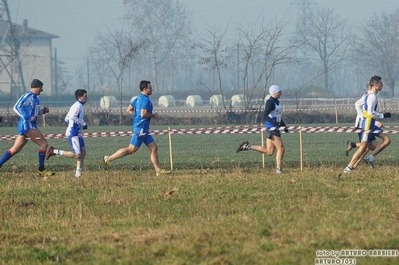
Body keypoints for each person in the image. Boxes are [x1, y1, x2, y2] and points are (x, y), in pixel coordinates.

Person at [102, 80, 171, 176]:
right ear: (145, 89)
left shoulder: (137, 98)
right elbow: (143, 114)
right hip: (141, 129)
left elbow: (129, 110)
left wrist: (137, 116)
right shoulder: (146, 100)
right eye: (150, 88)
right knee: (131, 150)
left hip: (144, 129)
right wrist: (153, 116)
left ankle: (158, 171)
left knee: (154, 148)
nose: (152, 89)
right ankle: (108, 158)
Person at [0, 79, 54, 176]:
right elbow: (16, 107)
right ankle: (41, 170)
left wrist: (43, 111)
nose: (42, 90)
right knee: (44, 144)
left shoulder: (36, 99)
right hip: (27, 126)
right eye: (40, 88)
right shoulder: (27, 96)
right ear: (36, 87)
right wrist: (28, 117)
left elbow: (35, 113)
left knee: (15, 149)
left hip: (29, 126)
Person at [236, 85, 288, 174]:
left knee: (269, 151)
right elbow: (265, 116)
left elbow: (277, 116)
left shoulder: (278, 102)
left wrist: (284, 126)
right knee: (281, 148)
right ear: (274, 93)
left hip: (275, 128)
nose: (281, 93)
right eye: (279, 91)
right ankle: (279, 169)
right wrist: (274, 123)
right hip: (271, 128)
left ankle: (247, 147)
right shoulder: (270, 102)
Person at [344, 76, 391, 173]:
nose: (382, 85)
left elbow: (363, 109)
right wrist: (383, 115)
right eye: (381, 84)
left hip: (370, 123)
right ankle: (349, 168)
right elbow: (370, 112)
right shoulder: (372, 97)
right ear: (376, 85)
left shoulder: (368, 95)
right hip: (367, 124)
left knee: (385, 140)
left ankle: (369, 158)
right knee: (363, 148)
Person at [46, 89, 88, 178]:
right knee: (77, 155)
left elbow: (67, 118)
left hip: (78, 133)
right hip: (73, 133)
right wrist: (82, 123)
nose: (86, 98)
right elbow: (72, 116)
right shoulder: (77, 106)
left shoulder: (78, 105)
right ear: (80, 97)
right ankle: (54, 151)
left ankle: (78, 175)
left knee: (83, 152)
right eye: (85, 96)